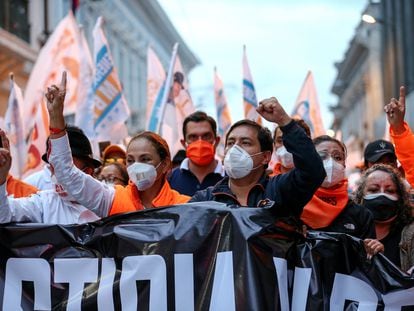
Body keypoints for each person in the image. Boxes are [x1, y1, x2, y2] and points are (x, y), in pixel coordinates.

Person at [45, 71, 189, 216]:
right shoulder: (112, 199)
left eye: (145, 159)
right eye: (130, 160)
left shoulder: (185, 206)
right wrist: (56, 116)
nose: (136, 166)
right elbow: (67, 174)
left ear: (164, 164)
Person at [190, 97, 326, 220]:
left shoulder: (280, 189)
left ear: (265, 157)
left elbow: (313, 171)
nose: (235, 149)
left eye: (245, 142)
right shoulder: (205, 199)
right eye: (230, 143)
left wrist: (284, 121)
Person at [0, 127, 100, 224]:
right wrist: (0, 179)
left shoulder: (106, 202)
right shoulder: (44, 203)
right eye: (53, 164)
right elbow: (3, 214)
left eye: (67, 165)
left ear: (88, 171)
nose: (58, 171)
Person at [300, 136, 377, 245]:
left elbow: (367, 257)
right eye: (322, 156)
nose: (331, 163)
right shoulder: (294, 208)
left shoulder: (360, 215)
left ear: (344, 165)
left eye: (337, 157)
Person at [354, 164, 413, 268]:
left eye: (389, 191)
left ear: (400, 197)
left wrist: (383, 261)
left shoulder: (411, 234)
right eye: (373, 190)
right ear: (361, 196)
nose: (382, 195)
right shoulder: (349, 229)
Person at [168, 111, 225, 196]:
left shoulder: (231, 179)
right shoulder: (169, 179)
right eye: (193, 137)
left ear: (216, 141)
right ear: (184, 144)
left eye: (206, 136)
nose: (200, 142)